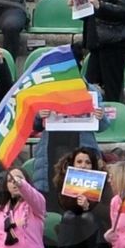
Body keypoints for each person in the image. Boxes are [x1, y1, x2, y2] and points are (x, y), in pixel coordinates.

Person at [30, 84, 109, 212]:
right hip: (50, 152)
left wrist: (101, 117)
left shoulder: (91, 91)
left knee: (80, 202)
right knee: (52, 198)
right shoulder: (46, 89)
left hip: (80, 149)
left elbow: (103, 126)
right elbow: (34, 125)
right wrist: (39, 115)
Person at [53, 147, 113, 248]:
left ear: (93, 165)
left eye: (87, 162)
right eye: (79, 162)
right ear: (73, 164)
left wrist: (89, 206)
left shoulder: (103, 182)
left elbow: (109, 212)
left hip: (96, 231)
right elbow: (63, 206)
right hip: (72, 233)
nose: (83, 166)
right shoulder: (64, 180)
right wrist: (77, 201)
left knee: (87, 216)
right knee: (68, 215)